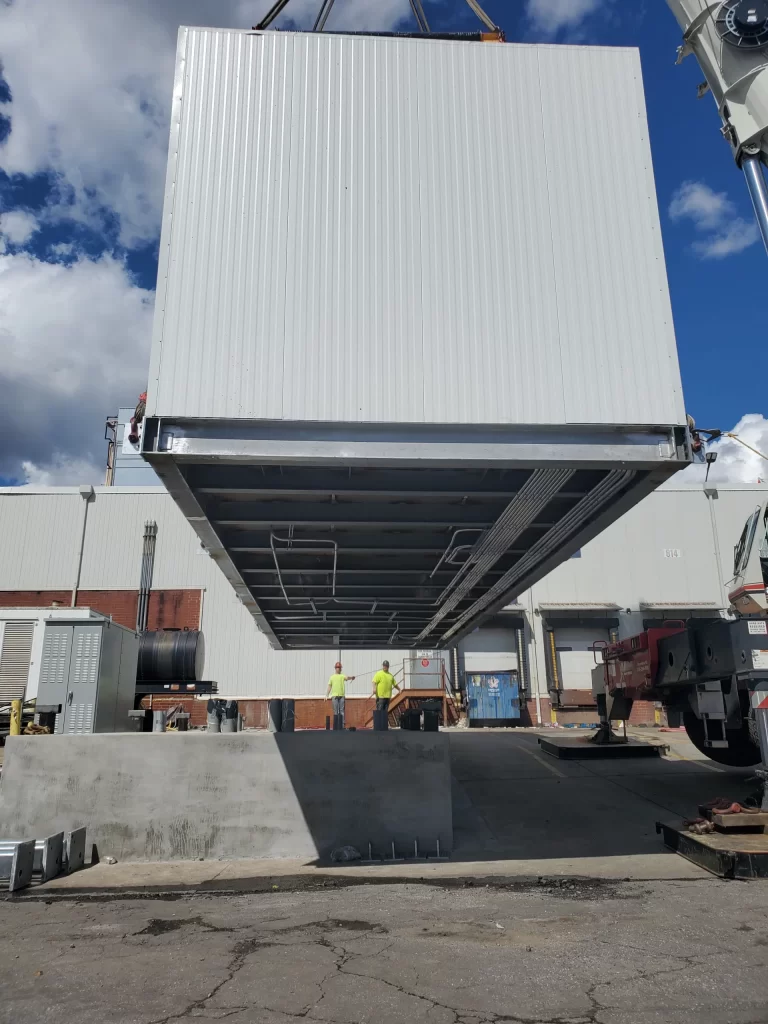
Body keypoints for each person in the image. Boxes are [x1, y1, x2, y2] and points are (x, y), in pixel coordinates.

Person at [326, 661, 355, 728]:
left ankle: (342, 726)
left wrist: (351, 678)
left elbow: (347, 678)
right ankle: (336, 726)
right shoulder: (332, 677)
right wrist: (326, 695)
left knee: (342, 711)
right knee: (335, 712)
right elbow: (329, 686)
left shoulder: (342, 676)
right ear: (335, 668)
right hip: (334, 696)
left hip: (341, 696)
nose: (339, 669)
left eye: (339, 667)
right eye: (337, 667)